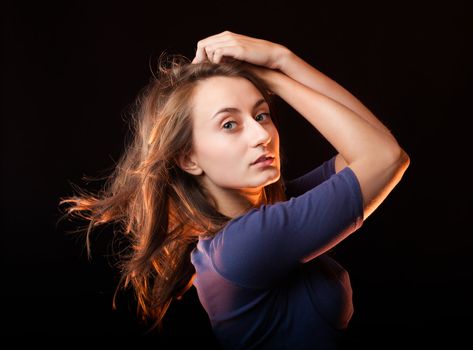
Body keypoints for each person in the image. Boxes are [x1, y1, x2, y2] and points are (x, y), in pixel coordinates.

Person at [60, 31, 410, 348]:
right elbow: (384, 156)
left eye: (261, 115)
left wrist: (282, 62)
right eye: (230, 124)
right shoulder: (245, 243)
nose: (261, 136)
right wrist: (276, 69)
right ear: (189, 159)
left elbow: (371, 143)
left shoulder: (262, 215)